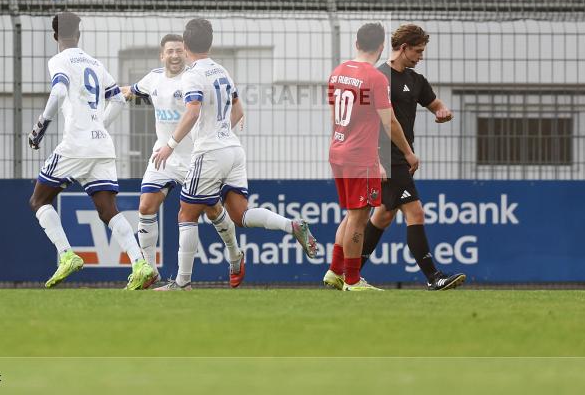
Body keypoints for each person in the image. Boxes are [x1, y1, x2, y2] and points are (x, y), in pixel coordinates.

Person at [152, 19, 318, 290]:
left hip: (210, 153)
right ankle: (292, 225)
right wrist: (220, 133)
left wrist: (170, 144)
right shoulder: (222, 71)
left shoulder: (192, 75)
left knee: (186, 214)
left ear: (184, 45)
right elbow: (239, 111)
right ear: (211, 42)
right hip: (233, 149)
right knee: (240, 214)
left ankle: (182, 282)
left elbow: (193, 111)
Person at [26, 12, 154, 290]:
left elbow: (59, 92)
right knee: (108, 209)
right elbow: (118, 99)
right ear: (79, 35)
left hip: (75, 144)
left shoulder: (59, 60)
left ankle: (66, 255)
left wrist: (40, 127)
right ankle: (140, 264)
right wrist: (99, 125)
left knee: (38, 200)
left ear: (55, 36)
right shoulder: (95, 63)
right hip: (100, 144)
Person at [118, 33, 246, 288]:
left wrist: (221, 135)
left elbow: (226, 109)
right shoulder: (153, 78)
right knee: (145, 206)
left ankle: (234, 254)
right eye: (170, 51)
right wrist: (104, 92)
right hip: (163, 156)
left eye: (178, 50)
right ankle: (150, 271)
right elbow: (130, 91)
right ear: (161, 55)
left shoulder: (194, 79)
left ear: (185, 53)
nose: (174, 55)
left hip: (194, 158)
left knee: (212, 211)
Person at [355, 24, 466, 290]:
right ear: (403, 48)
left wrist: (442, 112)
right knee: (415, 212)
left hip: (400, 158)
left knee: (382, 217)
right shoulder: (378, 77)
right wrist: (381, 158)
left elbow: (436, 104)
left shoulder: (416, 80)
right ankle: (434, 276)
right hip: (386, 157)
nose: (421, 56)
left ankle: (346, 272)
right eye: (418, 50)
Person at [324, 23, 420, 292]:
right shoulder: (376, 78)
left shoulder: (338, 72)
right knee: (359, 217)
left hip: (338, 150)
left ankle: (335, 270)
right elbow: (389, 123)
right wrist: (408, 153)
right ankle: (352, 280)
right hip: (359, 155)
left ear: (356, 43)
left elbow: (334, 117)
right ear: (381, 48)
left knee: (352, 213)